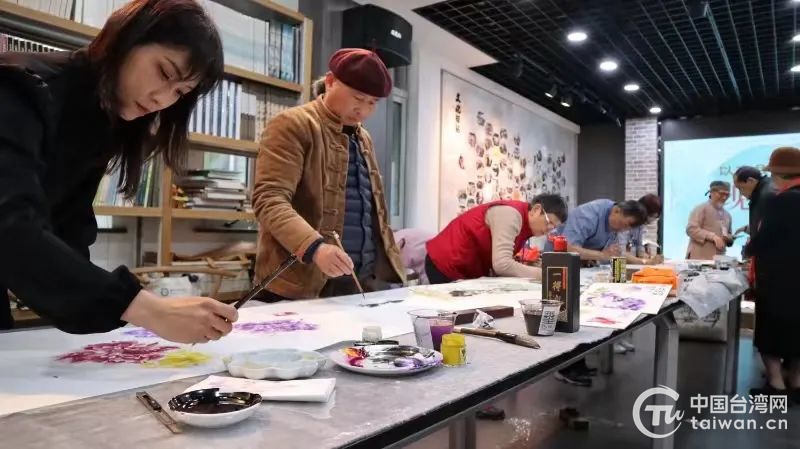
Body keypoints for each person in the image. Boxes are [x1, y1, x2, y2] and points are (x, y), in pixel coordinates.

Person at [0, 0, 238, 343]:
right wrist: (146, 309)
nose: (162, 100)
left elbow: (70, 232)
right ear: (128, 37)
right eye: (164, 72)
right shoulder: (19, 87)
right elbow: (9, 227)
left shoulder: (100, 119)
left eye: (180, 92)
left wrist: (116, 306)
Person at [252, 48, 405, 300]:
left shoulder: (363, 137)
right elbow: (269, 199)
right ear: (331, 81)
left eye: (372, 103)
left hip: (357, 283)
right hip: (298, 284)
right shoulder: (293, 124)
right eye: (358, 98)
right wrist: (315, 248)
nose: (363, 111)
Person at [549, 198, 648, 386]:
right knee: (570, 313)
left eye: (627, 228)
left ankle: (578, 363)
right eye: (624, 225)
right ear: (617, 211)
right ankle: (565, 367)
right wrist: (601, 255)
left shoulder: (616, 223)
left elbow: (616, 253)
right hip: (559, 264)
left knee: (586, 313)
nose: (623, 230)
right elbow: (568, 247)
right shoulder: (588, 214)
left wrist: (621, 275)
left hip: (582, 268)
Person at [746, 147, 800, 400]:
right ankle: (797, 385)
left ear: (780, 174)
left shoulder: (781, 200)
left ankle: (776, 386)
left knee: (771, 333)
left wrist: (749, 248)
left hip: (779, 280)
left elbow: (764, 239)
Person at [425, 194, 568, 284]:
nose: (549, 229)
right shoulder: (511, 214)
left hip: (465, 267)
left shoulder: (526, 225)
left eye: (554, 227)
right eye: (549, 222)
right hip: (446, 262)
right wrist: (544, 274)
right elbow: (502, 264)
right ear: (536, 209)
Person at [732, 166, 776, 257]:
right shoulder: (762, 192)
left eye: (740, 188)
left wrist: (750, 248)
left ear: (750, 181)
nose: (741, 193)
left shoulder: (767, 195)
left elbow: (769, 230)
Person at [685, 181, 733, 260]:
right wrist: (713, 237)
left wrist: (729, 238)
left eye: (727, 195)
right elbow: (691, 229)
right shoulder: (701, 209)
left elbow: (729, 234)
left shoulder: (727, 215)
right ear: (711, 192)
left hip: (719, 259)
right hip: (699, 259)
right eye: (721, 194)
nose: (724, 197)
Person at [618, 193, 664, 265]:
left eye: (656, 218)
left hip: (630, 266)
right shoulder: (624, 221)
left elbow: (639, 249)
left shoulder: (640, 225)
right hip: (615, 266)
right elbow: (619, 254)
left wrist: (649, 257)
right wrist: (645, 262)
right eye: (652, 217)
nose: (651, 221)